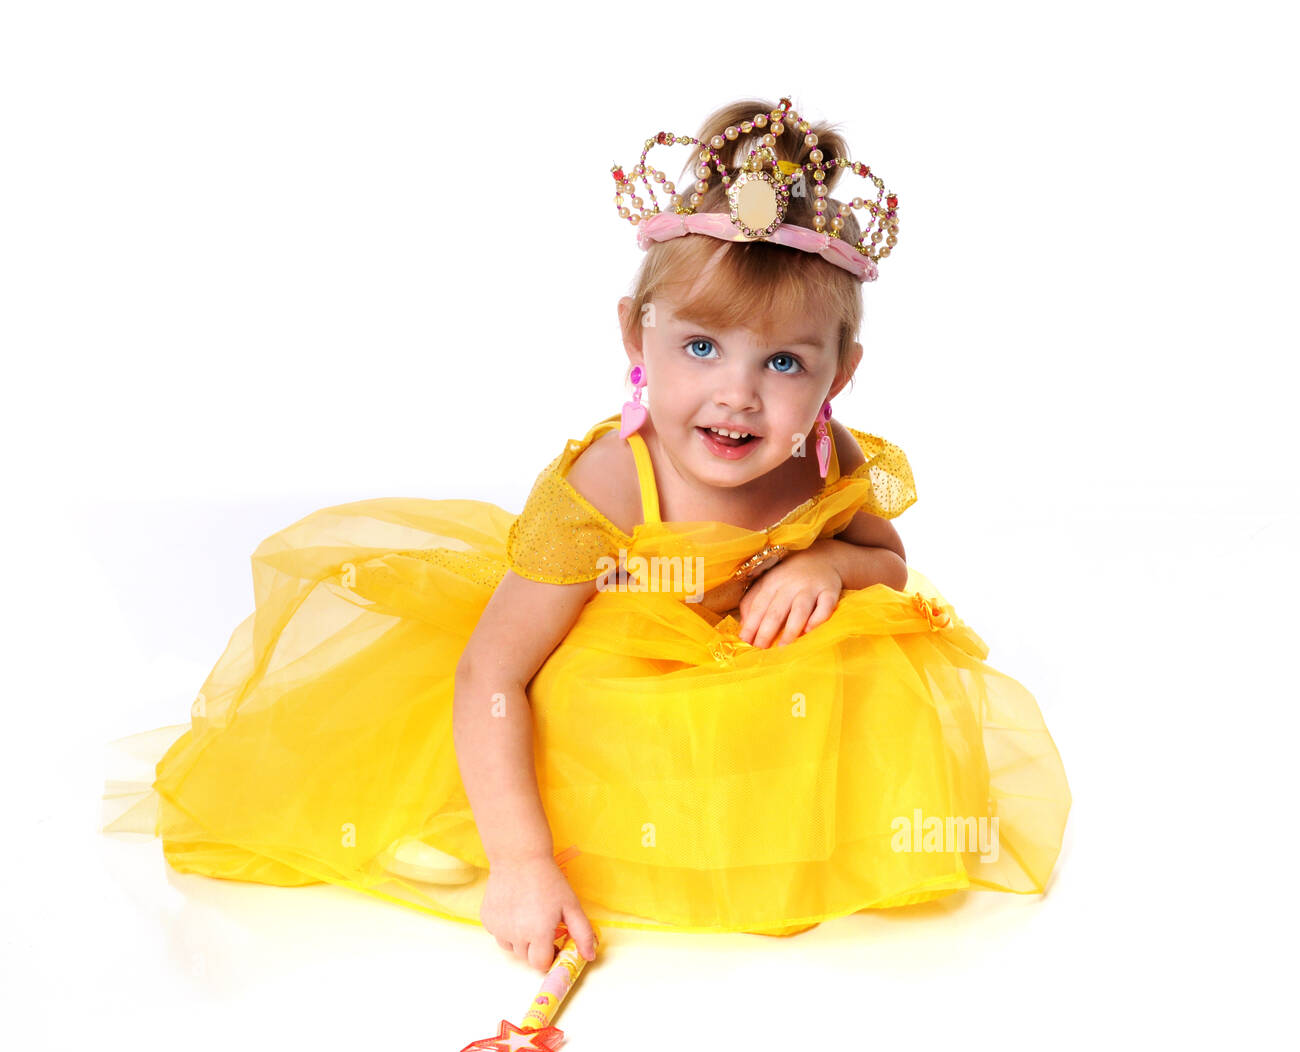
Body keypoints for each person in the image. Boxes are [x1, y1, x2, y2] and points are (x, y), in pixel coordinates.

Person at [102, 95, 1070, 974]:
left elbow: (887, 561)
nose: (736, 392)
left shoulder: (824, 454)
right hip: (603, 700)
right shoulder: (611, 476)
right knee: (556, 722)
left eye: (783, 360)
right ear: (632, 335)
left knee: (866, 663)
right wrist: (523, 866)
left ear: (839, 374)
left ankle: (771, 829)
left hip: (750, 684)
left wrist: (829, 558)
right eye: (700, 345)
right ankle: (517, 830)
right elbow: (492, 675)